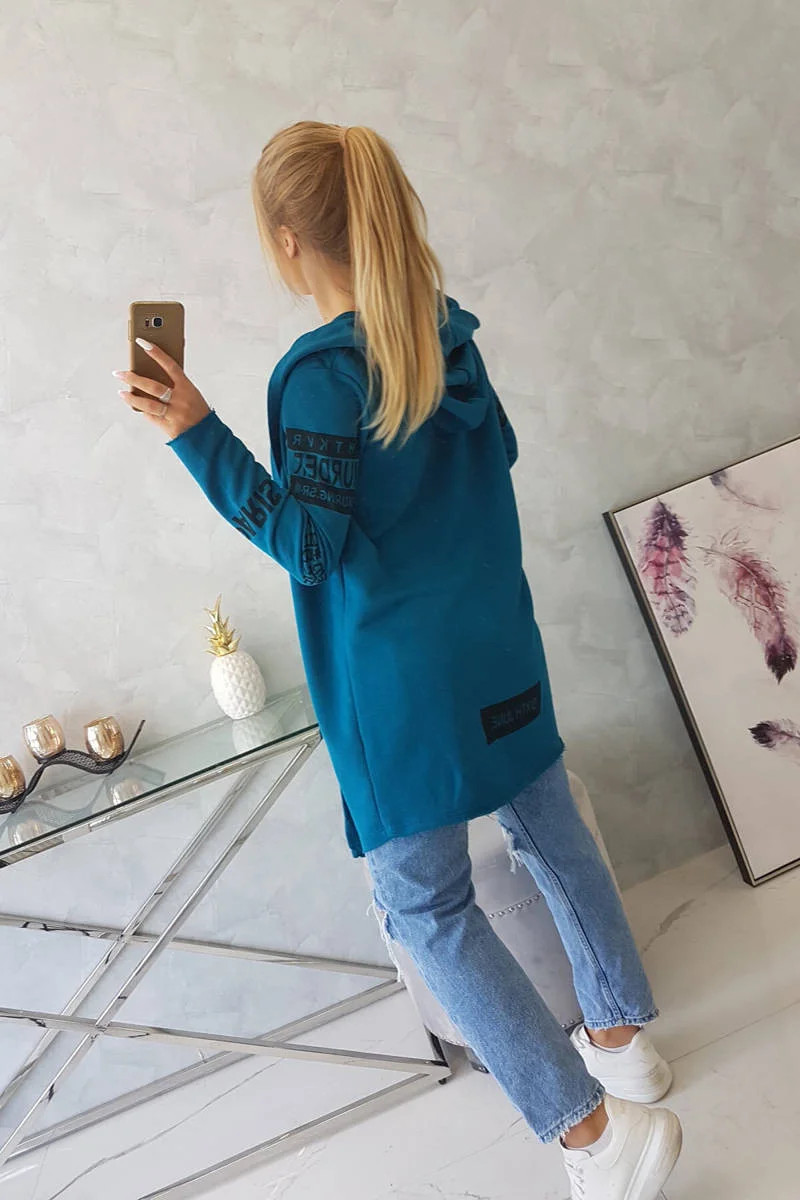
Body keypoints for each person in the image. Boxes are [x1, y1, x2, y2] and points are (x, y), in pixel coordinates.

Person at [114, 121, 682, 1200]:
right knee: (548, 830)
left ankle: (594, 1134)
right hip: (496, 643)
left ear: (288, 241)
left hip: (403, 688)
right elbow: (495, 458)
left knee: (424, 909)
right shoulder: (445, 333)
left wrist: (197, 432)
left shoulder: (317, 377)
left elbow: (310, 549)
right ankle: (622, 1041)